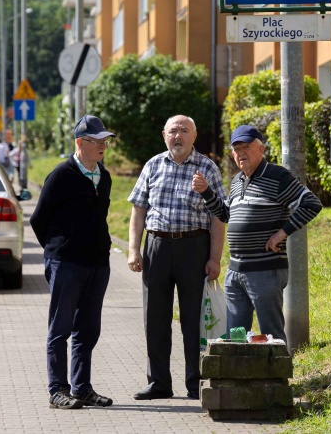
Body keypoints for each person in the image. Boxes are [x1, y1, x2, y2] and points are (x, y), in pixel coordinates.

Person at [192, 124, 322, 349]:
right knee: (235, 337)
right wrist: (206, 192)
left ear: (261, 149)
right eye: (236, 149)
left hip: (265, 269)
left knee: (271, 334)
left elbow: (311, 203)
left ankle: (277, 380)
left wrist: (282, 233)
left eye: (246, 147)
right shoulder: (237, 181)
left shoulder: (277, 176)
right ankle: (241, 383)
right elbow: (225, 214)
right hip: (236, 272)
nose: (241, 153)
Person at [127, 115, 226, 401]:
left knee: (193, 319)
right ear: (164, 135)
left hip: (194, 247)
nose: (178, 136)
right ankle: (159, 382)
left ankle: (196, 383)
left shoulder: (207, 168)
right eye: (173, 131)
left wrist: (215, 258)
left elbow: (219, 216)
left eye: (184, 130)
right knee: (155, 317)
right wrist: (134, 249)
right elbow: (138, 209)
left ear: (194, 136)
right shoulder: (153, 165)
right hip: (157, 246)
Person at [30, 115, 116, 410]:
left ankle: (81, 388)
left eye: (106, 140)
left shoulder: (104, 176)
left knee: (88, 329)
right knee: (60, 329)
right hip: (66, 263)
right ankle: (57, 390)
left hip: (97, 264)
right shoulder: (61, 175)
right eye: (97, 141)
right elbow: (38, 218)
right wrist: (57, 251)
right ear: (81, 143)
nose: (104, 145)